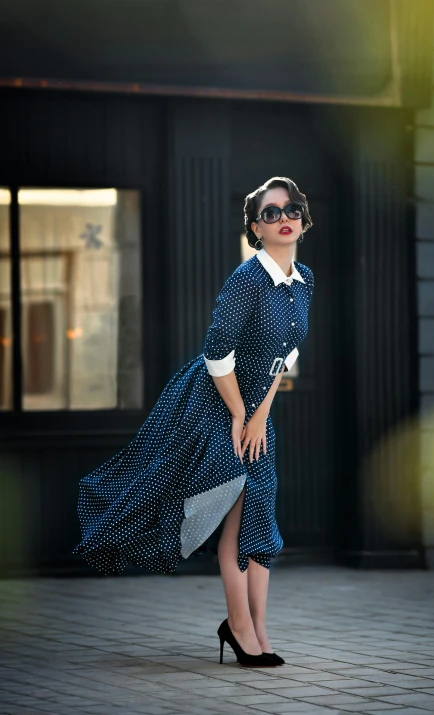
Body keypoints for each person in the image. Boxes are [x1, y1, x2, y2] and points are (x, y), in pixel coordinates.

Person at [72, 176, 315, 668]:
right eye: (270, 213)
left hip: (254, 410)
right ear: (255, 227)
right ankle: (239, 628)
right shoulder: (246, 280)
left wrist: (261, 414)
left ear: (304, 219)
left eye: (291, 210)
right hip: (212, 404)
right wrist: (239, 415)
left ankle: (259, 629)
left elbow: (282, 357)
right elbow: (217, 355)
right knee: (231, 517)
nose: (283, 218)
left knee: (259, 517)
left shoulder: (304, 280)